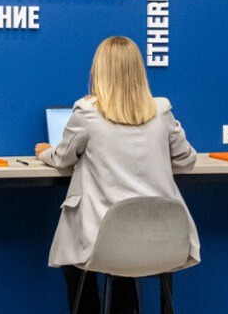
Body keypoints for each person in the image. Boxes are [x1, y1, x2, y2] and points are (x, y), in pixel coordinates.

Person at [35, 36, 199, 314]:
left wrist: (44, 153)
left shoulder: (87, 112)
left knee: (75, 260)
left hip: (103, 240)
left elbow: (62, 160)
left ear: (99, 70)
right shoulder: (161, 111)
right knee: (126, 265)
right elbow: (187, 160)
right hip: (160, 239)